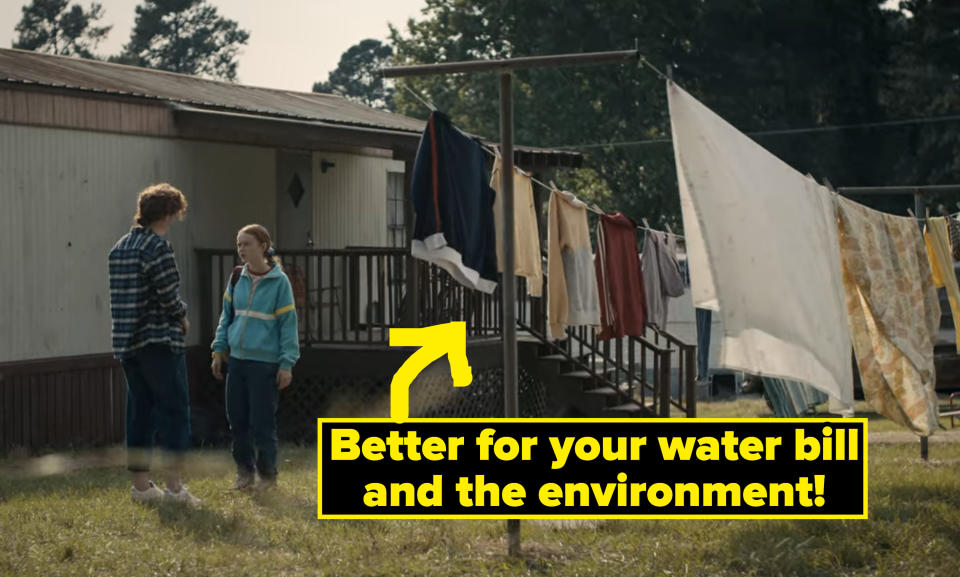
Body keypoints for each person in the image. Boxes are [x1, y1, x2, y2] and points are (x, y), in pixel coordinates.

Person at [108, 183, 201, 505]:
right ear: (168, 212)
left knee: (139, 412)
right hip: (158, 340)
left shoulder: (119, 247)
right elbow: (167, 294)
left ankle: (142, 487)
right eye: (176, 212)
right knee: (174, 410)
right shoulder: (157, 247)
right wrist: (183, 317)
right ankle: (175, 488)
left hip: (126, 341)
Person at [211, 224, 299, 491]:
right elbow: (227, 315)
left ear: (263, 246)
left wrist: (287, 363)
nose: (241, 250)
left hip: (265, 365)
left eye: (246, 244)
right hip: (236, 361)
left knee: (262, 423)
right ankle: (244, 474)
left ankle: (268, 477)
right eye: (239, 245)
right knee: (237, 421)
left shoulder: (279, 281)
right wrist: (218, 349)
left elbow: (288, 324)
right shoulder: (237, 277)